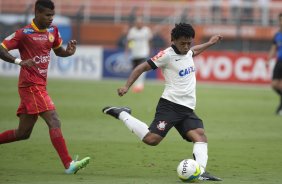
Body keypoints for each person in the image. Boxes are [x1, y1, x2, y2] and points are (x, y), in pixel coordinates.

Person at [103, 23, 223, 181]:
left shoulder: (187, 51)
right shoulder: (166, 55)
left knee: (200, 137)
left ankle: (200, 172)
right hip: (170, 105)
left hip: (187, 108)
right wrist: (126, 86)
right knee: (151, 140)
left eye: (189, 43)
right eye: (183, 43)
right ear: (173, 40)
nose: (186, 46)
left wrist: (211, 43)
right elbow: (141, 68)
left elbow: (195, 50)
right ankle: (123, 113)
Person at [0, 0, 90, 174]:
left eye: (52, 15)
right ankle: (68, 164)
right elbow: (1, 48)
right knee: (54, 120)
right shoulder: (23, 33)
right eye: (47, 15)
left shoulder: (52, 31)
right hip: (30, 85)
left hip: (40, 85)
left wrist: (68, 52)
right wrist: (19, 61)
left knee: (23, 133)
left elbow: (58, 51)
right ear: (37, 13)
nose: (51, 19)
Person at [126, 16, 153, 93]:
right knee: (135, 70)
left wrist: (150, 50)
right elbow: (129, 41)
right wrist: (128, 49)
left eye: (140, 23)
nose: (139, 24)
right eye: (137, 23)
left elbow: (150, 41)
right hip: (134, 53)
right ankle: (135, 85)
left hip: (144, 52)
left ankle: (140, 86)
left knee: (142, 69)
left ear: (142, 23)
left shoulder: (146, 30)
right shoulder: (132, 31)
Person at [267, 13, 282, 115]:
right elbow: (273, 49)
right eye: (280, 20)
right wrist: (268, 60)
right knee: (274, 85)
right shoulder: (277, 35)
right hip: (279, 61)